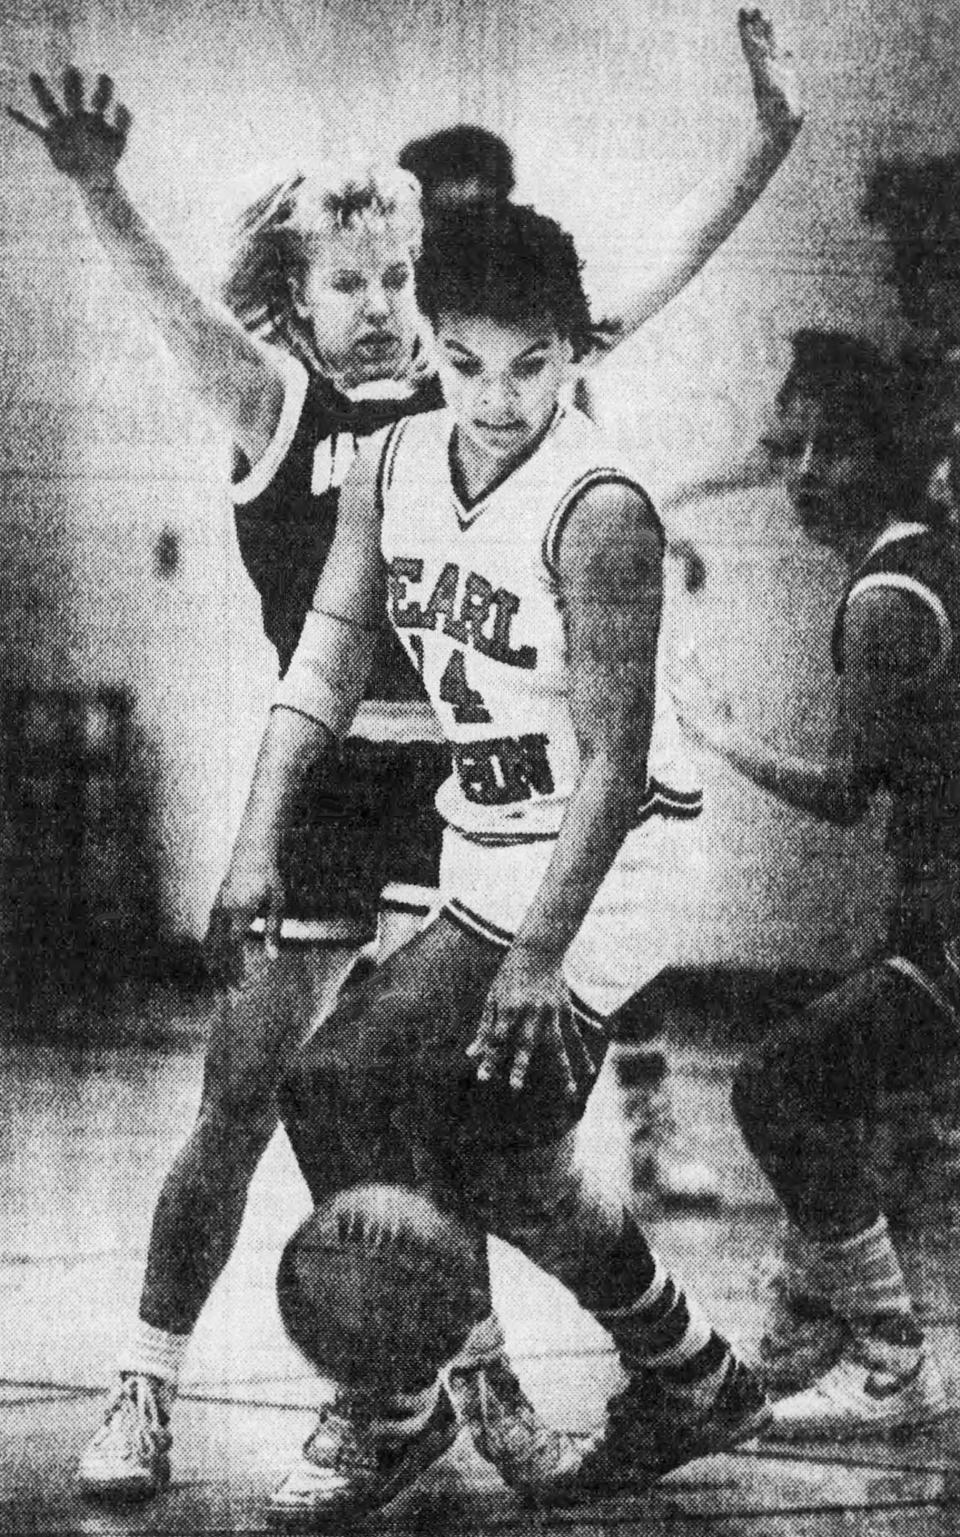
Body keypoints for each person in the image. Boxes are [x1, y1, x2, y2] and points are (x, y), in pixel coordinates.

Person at [7, 12, 801, 1504]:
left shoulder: (507, 398)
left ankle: (438, 1389)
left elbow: (646, 288)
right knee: (267, 1099)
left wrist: (767, 142)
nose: (380, 308)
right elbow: (184, 325)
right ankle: (162, 1379)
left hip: (506, 807)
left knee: (395, 1103)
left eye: (397, 279)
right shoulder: (313, 422)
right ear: (296, 300)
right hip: (372, 791)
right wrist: (103, 196)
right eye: (350, 284)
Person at [227, 198, 773, 1526]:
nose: (496, 397)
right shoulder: (392, 462)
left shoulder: (601, 512)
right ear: (432, 341)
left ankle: (396, 1406)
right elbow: (330, 655)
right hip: (496, 836)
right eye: (466, 362)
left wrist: (538, 958)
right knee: (495, 1158)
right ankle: (691, 1371)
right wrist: (256, 839)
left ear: (571, 354)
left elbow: (618, 764)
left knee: (340, 1083)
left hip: (613, 857)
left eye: (531, 366)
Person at [676, 329, 957, 1439]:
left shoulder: (886, 599)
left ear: (881, 457)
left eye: (829, 450)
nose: (802, 474)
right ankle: (806, 1322)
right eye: (792, 448)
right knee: (836, 1090)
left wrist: (724, 737)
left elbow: (847, 791)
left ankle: (890, 1359)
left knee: (776, 1089)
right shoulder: (918, 560)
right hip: (931, 911)